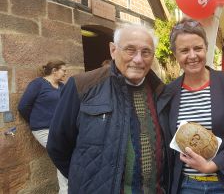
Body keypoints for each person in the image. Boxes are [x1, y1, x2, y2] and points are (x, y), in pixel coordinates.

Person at [46, 24, 170, 194]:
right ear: (113, 50)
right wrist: (85, 181)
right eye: (130, 50)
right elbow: (57, 145)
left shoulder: (161, 93)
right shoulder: (82, 86)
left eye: (146, 52)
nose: (138, 59)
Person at [158, 18, 224, 194]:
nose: (192, 55)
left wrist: (212, 165)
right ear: (176, 55)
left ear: (206, 48)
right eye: (184, 50)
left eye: (197, 48)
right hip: (186, 186)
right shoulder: (169, 92)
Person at [18, 60, 68, 194]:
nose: (65, 73)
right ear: (54, 71)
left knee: (67, 155)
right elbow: (23, 106)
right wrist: (36, 120)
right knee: (63, 154)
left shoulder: (62, 87)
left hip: (59, 130)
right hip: (43, 129)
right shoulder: (38, 84)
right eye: (63, 70)